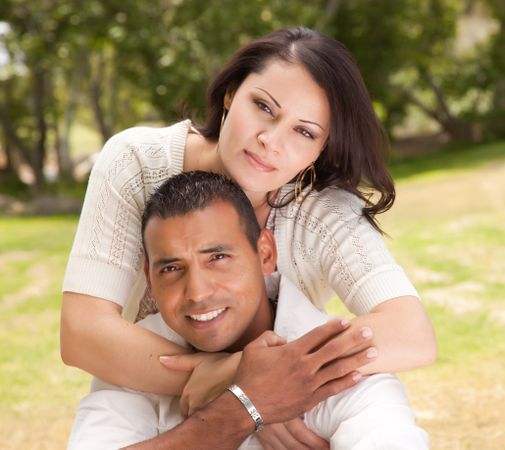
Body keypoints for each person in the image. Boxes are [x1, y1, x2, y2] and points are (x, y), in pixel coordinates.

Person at [60, 26, 435, 446]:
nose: (270, 141)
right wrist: (240, 387)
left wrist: (266, 383)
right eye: (263, 107)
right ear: (229, 94)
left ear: (321, 149)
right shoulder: (135, 163)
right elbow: (82, 333)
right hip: (145, 390)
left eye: (305, 131)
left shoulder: (323, 212)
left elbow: (410, 333)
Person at [67, 171, 428, 449]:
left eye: (218, 258)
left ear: (265, 254)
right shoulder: (134, 361)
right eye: (172, 268)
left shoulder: (346, 372)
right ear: (149, 278)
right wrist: (244, 407)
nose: (197, 292)